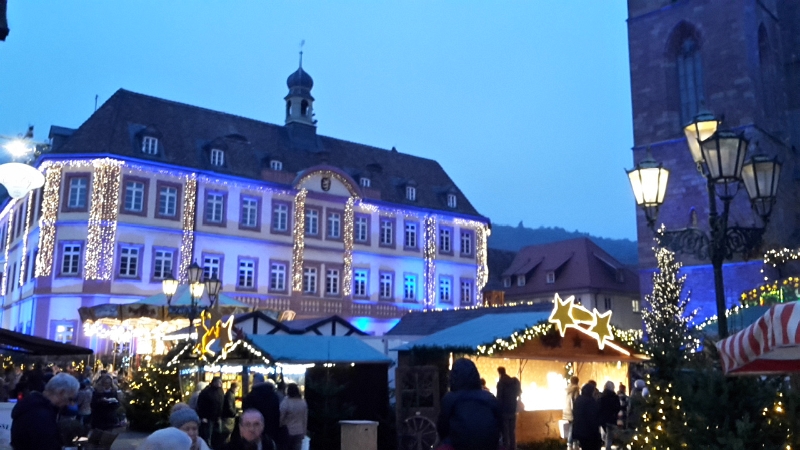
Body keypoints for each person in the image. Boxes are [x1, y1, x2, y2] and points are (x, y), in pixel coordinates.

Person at [436, 358, 502, 450]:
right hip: (489, 444)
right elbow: (500, 421)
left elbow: (442, 426)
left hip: (459, 444)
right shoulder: (489, 397)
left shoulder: (450, 398)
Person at [11, 372, 80, 450]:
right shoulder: (42, 417)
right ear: (61, 392)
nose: (69, 403)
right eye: (70, 399)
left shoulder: (31, 407)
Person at [242, 374, 282, 446]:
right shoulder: (274, 395)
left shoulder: (251, 396)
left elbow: (246, 412)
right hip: (272, 429)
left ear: (255, 381)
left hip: (254, 430)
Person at [496, 366, 521, 450]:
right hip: (513, 409)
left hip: (504, 411)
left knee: (505, 433)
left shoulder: (501, 383)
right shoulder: (513, 382)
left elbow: (499, 397)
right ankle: (513, 447)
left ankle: (506, 447)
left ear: (499, 373)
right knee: (512, 432)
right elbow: (518, 393)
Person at [197, 377, 225, 447]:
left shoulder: (220, 391)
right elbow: (200, 405)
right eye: (219, 382)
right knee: (208, 436)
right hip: (209, 417)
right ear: (214, 382)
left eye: (221, 382)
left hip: (217, 417)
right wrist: (203, 416)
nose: (220, 384)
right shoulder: (206, 392)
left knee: (218, 434)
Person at [572, 383, 602, 450]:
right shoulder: (590, 401)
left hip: (580, 431)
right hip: (589, 432)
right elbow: (592, 417)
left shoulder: (578, 400)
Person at [280, 384, 307, 450]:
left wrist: (280, 426)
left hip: (287, 431)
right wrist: (304, 432)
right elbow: (305, 418)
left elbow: (281, 417)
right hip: (299, 431)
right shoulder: (303, 402)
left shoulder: (286, 402)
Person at [598, 381, 621, 450]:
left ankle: (606, 446)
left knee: (605, 435)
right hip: (612, 418)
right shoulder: (615, 397)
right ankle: (608, 447)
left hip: (603, 419)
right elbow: (618, 407)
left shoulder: (601, 396)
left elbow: (599, 407)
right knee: (610, 436)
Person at [562, 376, 580, 450]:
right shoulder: (575, 389)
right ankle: (572, 443)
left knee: (571, 428)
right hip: (573, 412)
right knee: (574, 428)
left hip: (566, 411)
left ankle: (570, 443)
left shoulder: (567, 389)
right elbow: (576, 401)